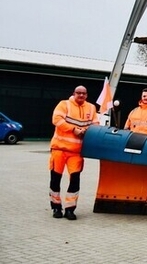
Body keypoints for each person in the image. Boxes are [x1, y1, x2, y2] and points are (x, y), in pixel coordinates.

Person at [49, 85, 99, 220]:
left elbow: (95, 124)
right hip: (59, 149)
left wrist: (86, 131)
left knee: (75, 180)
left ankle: (70, 209)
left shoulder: (91, 108)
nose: (81, 95)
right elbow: (56, 120)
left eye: (83, 93)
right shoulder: (64, 104)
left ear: (87, 95)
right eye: (78, 93)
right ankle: (56, 207)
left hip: (76, 152)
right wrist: (74, 129)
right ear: (74, 93)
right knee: (55, 179)